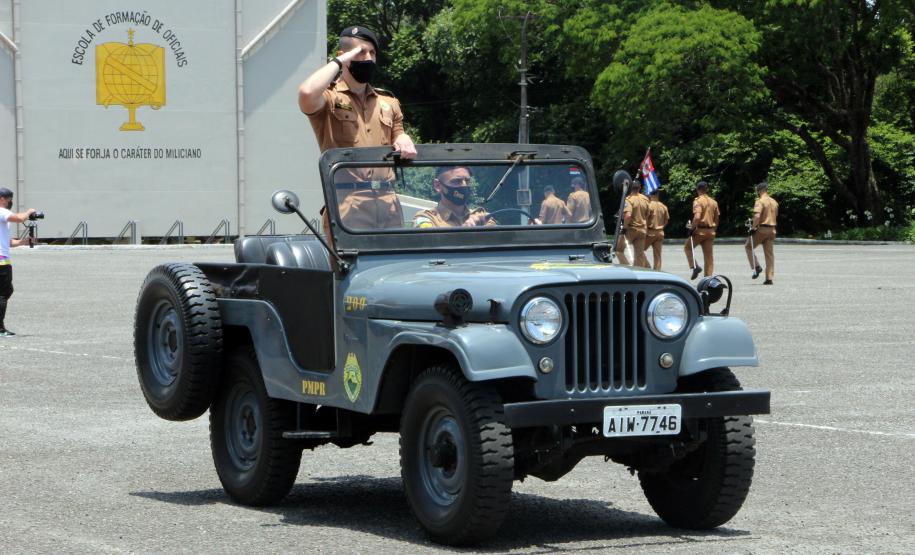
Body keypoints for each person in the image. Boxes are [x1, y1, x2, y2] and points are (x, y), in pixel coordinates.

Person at [297, 25, 417, 231]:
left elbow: (399, 135)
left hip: (388, 204)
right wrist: (339, 62)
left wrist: (404, 138)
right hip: (348, 205)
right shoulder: (330, 98)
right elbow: (307, 93)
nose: (368, 58)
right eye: (361, 52)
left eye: (372, 52)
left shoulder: (388, 102)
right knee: (353, 264)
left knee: (396, 263)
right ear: (344, 56)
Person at [0, 187, 37, 337]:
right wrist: (29, 212)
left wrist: (24, 241)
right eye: (9, 199)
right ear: (2, 198)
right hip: (2, 262)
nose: (11, 202)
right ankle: (0, 328)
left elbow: (7, 242)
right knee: (3, 293)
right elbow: (20, 218)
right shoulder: (2, 211)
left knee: (6, 291)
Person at [412, 167, 491, 228]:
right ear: (438, 185)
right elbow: (428, 245)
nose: (464, 185)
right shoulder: (427, 219)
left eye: (467, 181)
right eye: (457, 181)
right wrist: (465, 232)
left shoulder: (481, 217)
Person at [684, 180, 720, 278]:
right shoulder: (714, 202)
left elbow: (697, 217)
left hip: (700, 231)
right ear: (706, 189)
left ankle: (694, 266)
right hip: (711, 231)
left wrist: (692, 229)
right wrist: (713, 229)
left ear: (698, 190)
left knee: (687, 248)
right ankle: (708, 279)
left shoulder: (698, 201)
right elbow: (717, 219)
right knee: (708, 256)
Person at [746, 181, 779, 284]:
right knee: (769, 254)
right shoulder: (774, 202)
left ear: (759, 190)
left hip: (762, 229)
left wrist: (753, 227)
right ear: (767, 190)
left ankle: (756, 266)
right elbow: (776, 215)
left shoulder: (760, 201)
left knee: (748, 247)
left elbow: (757, 216)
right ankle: (769, 278)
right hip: (772, 229)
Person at [615, 180, 650, 268]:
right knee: (639, 254)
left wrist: (624, 228)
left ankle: (627, 268)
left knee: (618, 250)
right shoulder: (645, 199)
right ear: (640, 188)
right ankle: (639, 273)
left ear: (630, 188)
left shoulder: (628, 199)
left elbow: (628, 215)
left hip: (631, 229)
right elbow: (648, 214)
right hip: (642, 229)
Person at [645, 190, 669, 271]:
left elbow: (646, 219)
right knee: (657, 255)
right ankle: (657, 272)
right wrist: (661, 227)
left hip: (650, 232)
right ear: (657, 194)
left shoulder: (649, 205)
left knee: (639, 251)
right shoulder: (663, 206)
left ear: (650, 195)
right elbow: (666, 221)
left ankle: (647, 267)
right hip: (660, 232)